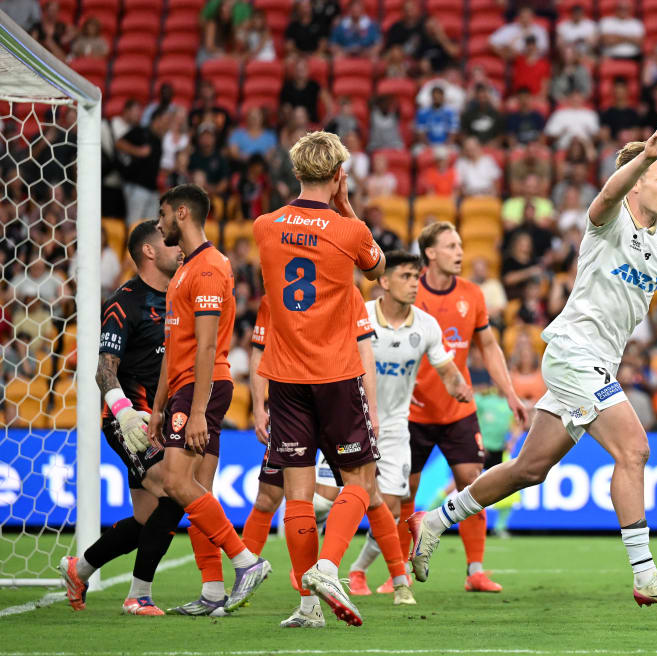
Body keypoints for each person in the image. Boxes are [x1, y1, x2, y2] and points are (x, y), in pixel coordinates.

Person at [408, 117, 657, 608]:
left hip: (596, 361)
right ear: (638, 178)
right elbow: (605, 197)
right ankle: (645, 574)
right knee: (635, 450)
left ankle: (435, 520)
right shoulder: (608, 221)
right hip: (573, 353)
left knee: (528, 468)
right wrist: (647, 154)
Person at [253, 131, 385, 627]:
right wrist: (347, 207)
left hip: (284, 377)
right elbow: (377, 270)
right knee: (360, 481)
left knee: (298, 493)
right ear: (338, 176)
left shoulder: (264, 226)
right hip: (335, 373)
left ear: (295, 173)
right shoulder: (350, 232)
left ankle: (308, 607)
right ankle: (329, 567)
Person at [144, 184, 271, 614]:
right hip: (183, 388)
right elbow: (172, 346)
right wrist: (159, 407)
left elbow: (204, 345)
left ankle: (246, 561)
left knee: (176, 482)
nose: (158, 224)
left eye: (162, 215)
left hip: (204, 387)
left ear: (182, 213)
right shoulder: (183, 269)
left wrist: (195, 411)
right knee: (197, 489)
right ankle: (213, 592)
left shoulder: (210, 268)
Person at [58, 221, 186, 616]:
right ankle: (138, 594)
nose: (179, 248)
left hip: (164, 418)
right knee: (178, 489)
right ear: (148, 251)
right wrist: (124, 412)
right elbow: (103, 369)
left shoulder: (182, 297)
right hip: (130, 421)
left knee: (148, 519)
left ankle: (78, 569)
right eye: (169, 242)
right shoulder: (124, 302)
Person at [404, 222, 528, 593]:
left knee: (471, 486)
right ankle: (398, 576)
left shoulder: (472, 295)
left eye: (460, 244)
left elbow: (489, 347)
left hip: (459, 409)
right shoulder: (409, 292)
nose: (460, 252)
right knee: (403, 493)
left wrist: (509, 393)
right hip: (412, 411)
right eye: (450, 246)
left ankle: (475, 570)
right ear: (430, 253)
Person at [345, 251, 472, 598]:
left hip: (395, 428)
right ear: (383, 282)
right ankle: (315, 571)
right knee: (326, 503)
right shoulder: (361, 315)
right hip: (349, 421)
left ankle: (361, 573)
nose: (414, 284)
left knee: (388, 505)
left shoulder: (426, 325)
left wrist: (458, 385)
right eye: (405, 277)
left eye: (416, 278)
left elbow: (445, 366)